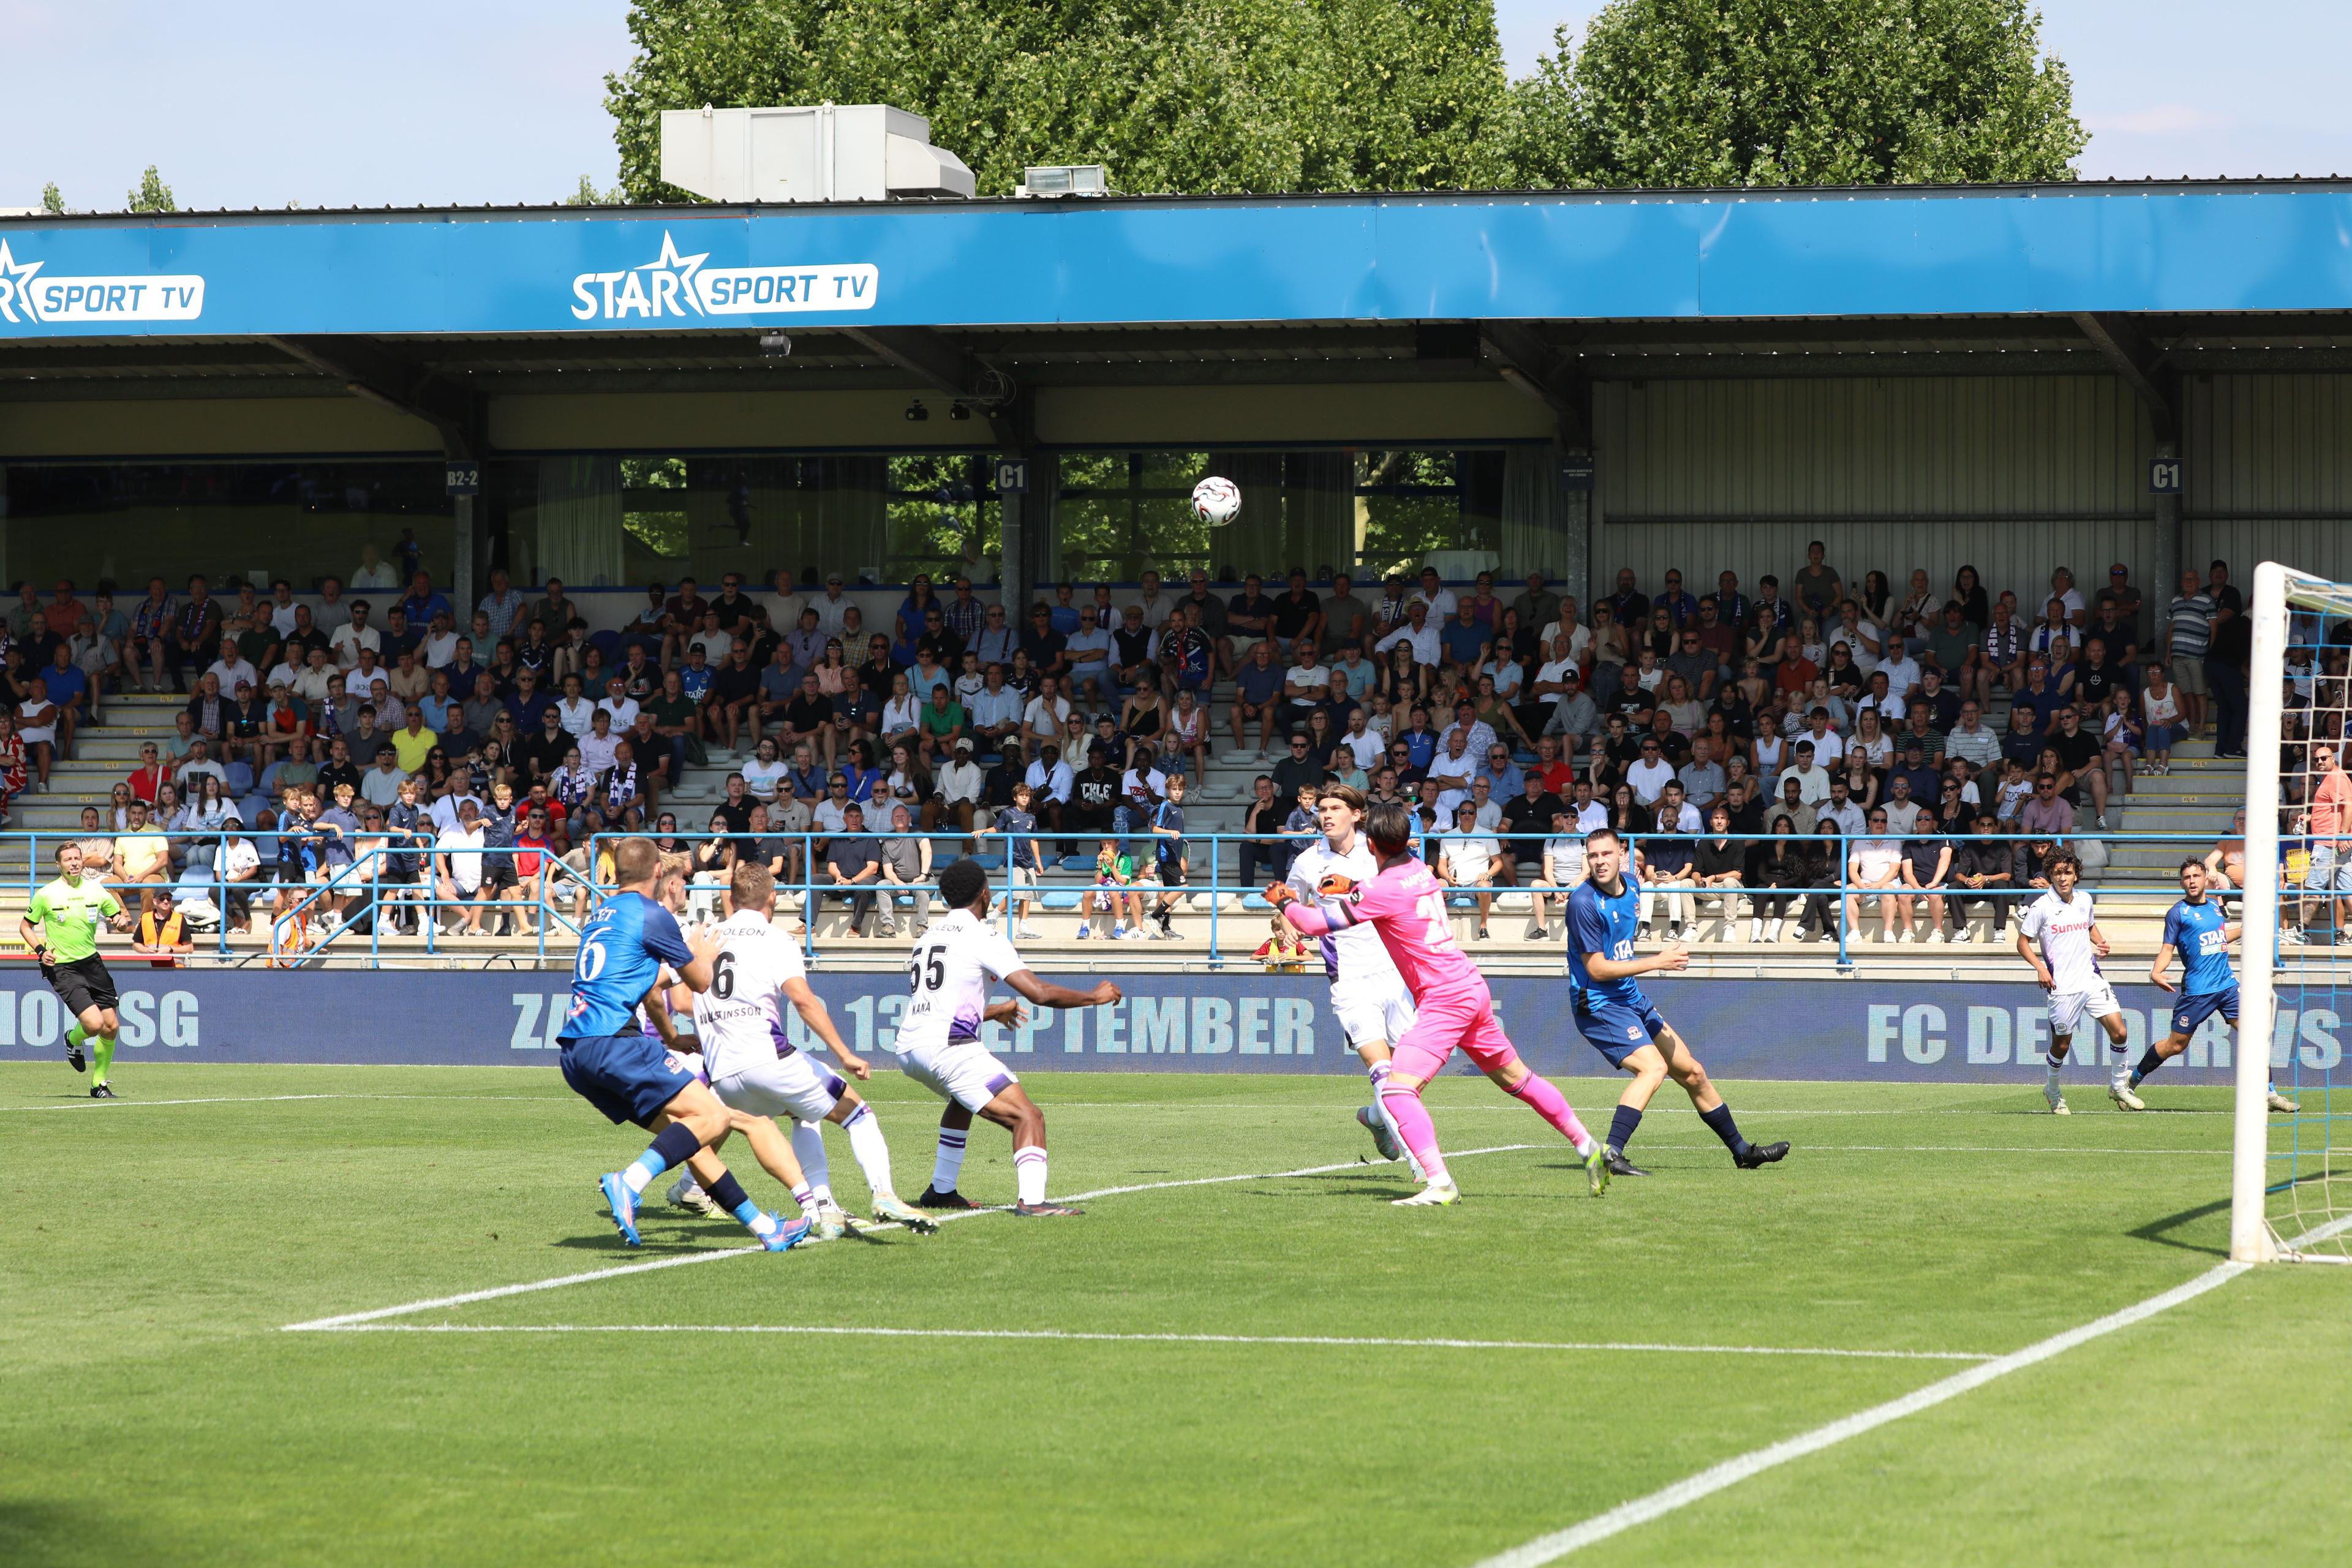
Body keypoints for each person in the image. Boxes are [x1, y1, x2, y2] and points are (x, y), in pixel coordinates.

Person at [1269, 799, 1610, 1206]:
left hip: (1443, 1000)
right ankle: (1589, 1146)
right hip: (1470, 986)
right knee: (1518, 1080)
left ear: (1373, 847)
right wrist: (1349, 886)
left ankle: (1439, 1183)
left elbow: (1312, 922)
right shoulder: (1420, 871)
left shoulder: (1381, 889)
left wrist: (1284, 899)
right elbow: (1381, 891)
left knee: (1396, 1091)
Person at [557, 837, 811, 1252]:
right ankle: (631, 1181)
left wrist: (672, 1038)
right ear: (659, 872)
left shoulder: (599, 914)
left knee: (688, 1136)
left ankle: (766, 1228)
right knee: (715, 1119)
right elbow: (699, 983)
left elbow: (652, 992)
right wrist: (703, 951)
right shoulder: (651, 915)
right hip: (614, 1041)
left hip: (576, 1053)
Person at [679, 863, 939, 1231]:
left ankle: (824, 1209)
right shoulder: (776, 940)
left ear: (732, 900)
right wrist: (844, 1054)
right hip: (766, 1058)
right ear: (772, 897)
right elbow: (802, 999)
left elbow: (679, 1001)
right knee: (858, 1114)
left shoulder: (704, 939)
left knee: (804, 1113)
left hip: (723, 1076)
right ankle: (884, 1193)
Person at [895, 858, 1120, 1215]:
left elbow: (938, 1005)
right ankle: (1032, 1202)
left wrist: (994, 1010)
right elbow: (1039, 993)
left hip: (909, 1047)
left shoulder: (926, 938)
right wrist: (1095, 997)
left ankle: (941, 1189)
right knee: (1028, 1116)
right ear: (985, 894)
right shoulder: (984, 936)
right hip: (948, 1048)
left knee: (963, 1099)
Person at [1565, 827, 1792, 1178]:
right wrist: (1657, 961)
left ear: (1621, 854)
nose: (1599, 862)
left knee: (1693, 1072)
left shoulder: (1633, 885)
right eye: (1592, 856)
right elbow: (1596, 969)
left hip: (1630, 997)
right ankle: (1610, 1154)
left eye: (1606, 854)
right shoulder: (1583, 903)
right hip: (1597, 1003)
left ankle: (1743, 1152)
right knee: (1653, 1068)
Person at [1284, 784, 1423, 1170]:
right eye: (1322, 809)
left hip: (1396, 973)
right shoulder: (1308, 861)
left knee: (1407, 1078)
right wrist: (1287, 924)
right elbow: (1289, 902)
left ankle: (1376, 1118)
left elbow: (1410, 888)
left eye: (1334, 809)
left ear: (1357, 815)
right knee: (1382, 1073)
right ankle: (1419, 1163)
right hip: (1349, 979)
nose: (1325, 815)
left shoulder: (1380, 851)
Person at [2124, 858, 2301, 1114]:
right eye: (2187, 877)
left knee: (2256, 1035)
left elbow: (2219, 938)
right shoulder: (2178, 913)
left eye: (2196, 876)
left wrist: (2243, 929)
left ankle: (2269, 1093)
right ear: (2181, 882)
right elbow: (2167, 948)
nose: (2192, 881)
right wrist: (2156, 971)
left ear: (2206, 877)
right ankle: (2132, 1081)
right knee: (2176, 1045)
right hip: (2198, 991)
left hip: (2227, 986)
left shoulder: (2215, 908)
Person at [20, 842, 136, 1098]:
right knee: (94, 1024)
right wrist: (41, 950)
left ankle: (99, 1085)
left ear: (82, 862)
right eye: (68, 859)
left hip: (92, 964)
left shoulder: (97, 891)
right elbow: (26, 926)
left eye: (77, 858)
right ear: (58, 865)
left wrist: (120, 922)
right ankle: (73, 1038)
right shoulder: (46, 894)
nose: (74, 863)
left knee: (111, 1025)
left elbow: (122, 920)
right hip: (63, 967)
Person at [2015, 850, 2126, 1116]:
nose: (2062, 878)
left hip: (2091, 979)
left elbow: (2089, 926)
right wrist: (2040, 968)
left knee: (2120, 1032)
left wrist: (2100, 942)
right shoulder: (2041, 907)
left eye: (2067, 872)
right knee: (2062, 1045)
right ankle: (2052, 1091)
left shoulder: (2085, 900)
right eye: (2057, 873)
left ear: (2076, 874)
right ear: (2050, 876)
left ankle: (2119, 1086)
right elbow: (2022, 943)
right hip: (2062, 987)